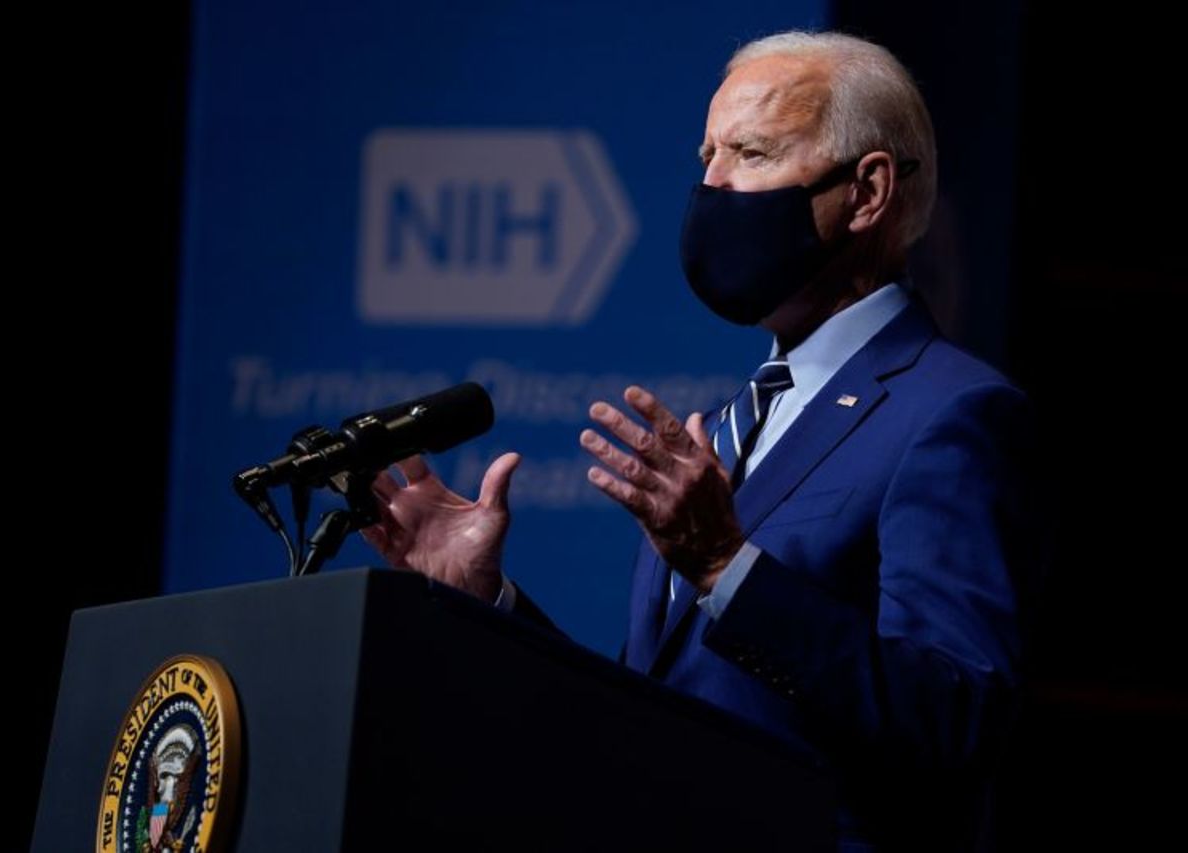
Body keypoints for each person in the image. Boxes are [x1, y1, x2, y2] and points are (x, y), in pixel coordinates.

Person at [361, 31, 1046, 852]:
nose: (711, 186)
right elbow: (645, 720)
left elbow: (954, 717)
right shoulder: (729, 424)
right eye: (707, 154)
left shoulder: (952, 413)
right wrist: (487, 605)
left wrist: (728, 566)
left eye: (750, 152)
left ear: (866, 192)